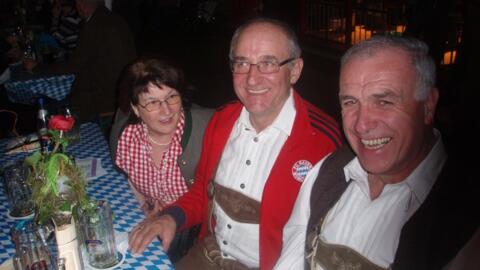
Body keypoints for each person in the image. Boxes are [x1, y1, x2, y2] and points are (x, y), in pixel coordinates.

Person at [127, 17, 343, 270]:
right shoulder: (222, 121)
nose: (252, 79)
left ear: (294, 70)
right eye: (242, 63)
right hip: (210, 253)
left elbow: (323, 241)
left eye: (268, 63)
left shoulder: (323, 142)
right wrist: (171, 218)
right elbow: (202, 191)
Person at [275, 35, 478, 269]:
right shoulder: (330, 170)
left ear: (428, 106)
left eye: (384, 102)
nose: (362, 125)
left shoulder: (465, 223)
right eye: (350, 102)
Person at [110, 57, 213, 262]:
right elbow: (128, 178)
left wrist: (168, 216)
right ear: (136, 109)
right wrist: (144, 206)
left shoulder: (206, 131)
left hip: (195, 228)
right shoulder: (125, 137)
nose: (166, 110)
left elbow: (212, 197)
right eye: (152, 102)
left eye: (172, 97)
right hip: (152, 219)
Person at [24, 0, 136, 123]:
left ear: (81, 5)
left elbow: (74, 65)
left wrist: (37, 67)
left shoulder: (94, 25)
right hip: (123, 92)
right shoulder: (115, 19)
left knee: (54, 103)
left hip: (105, 99)